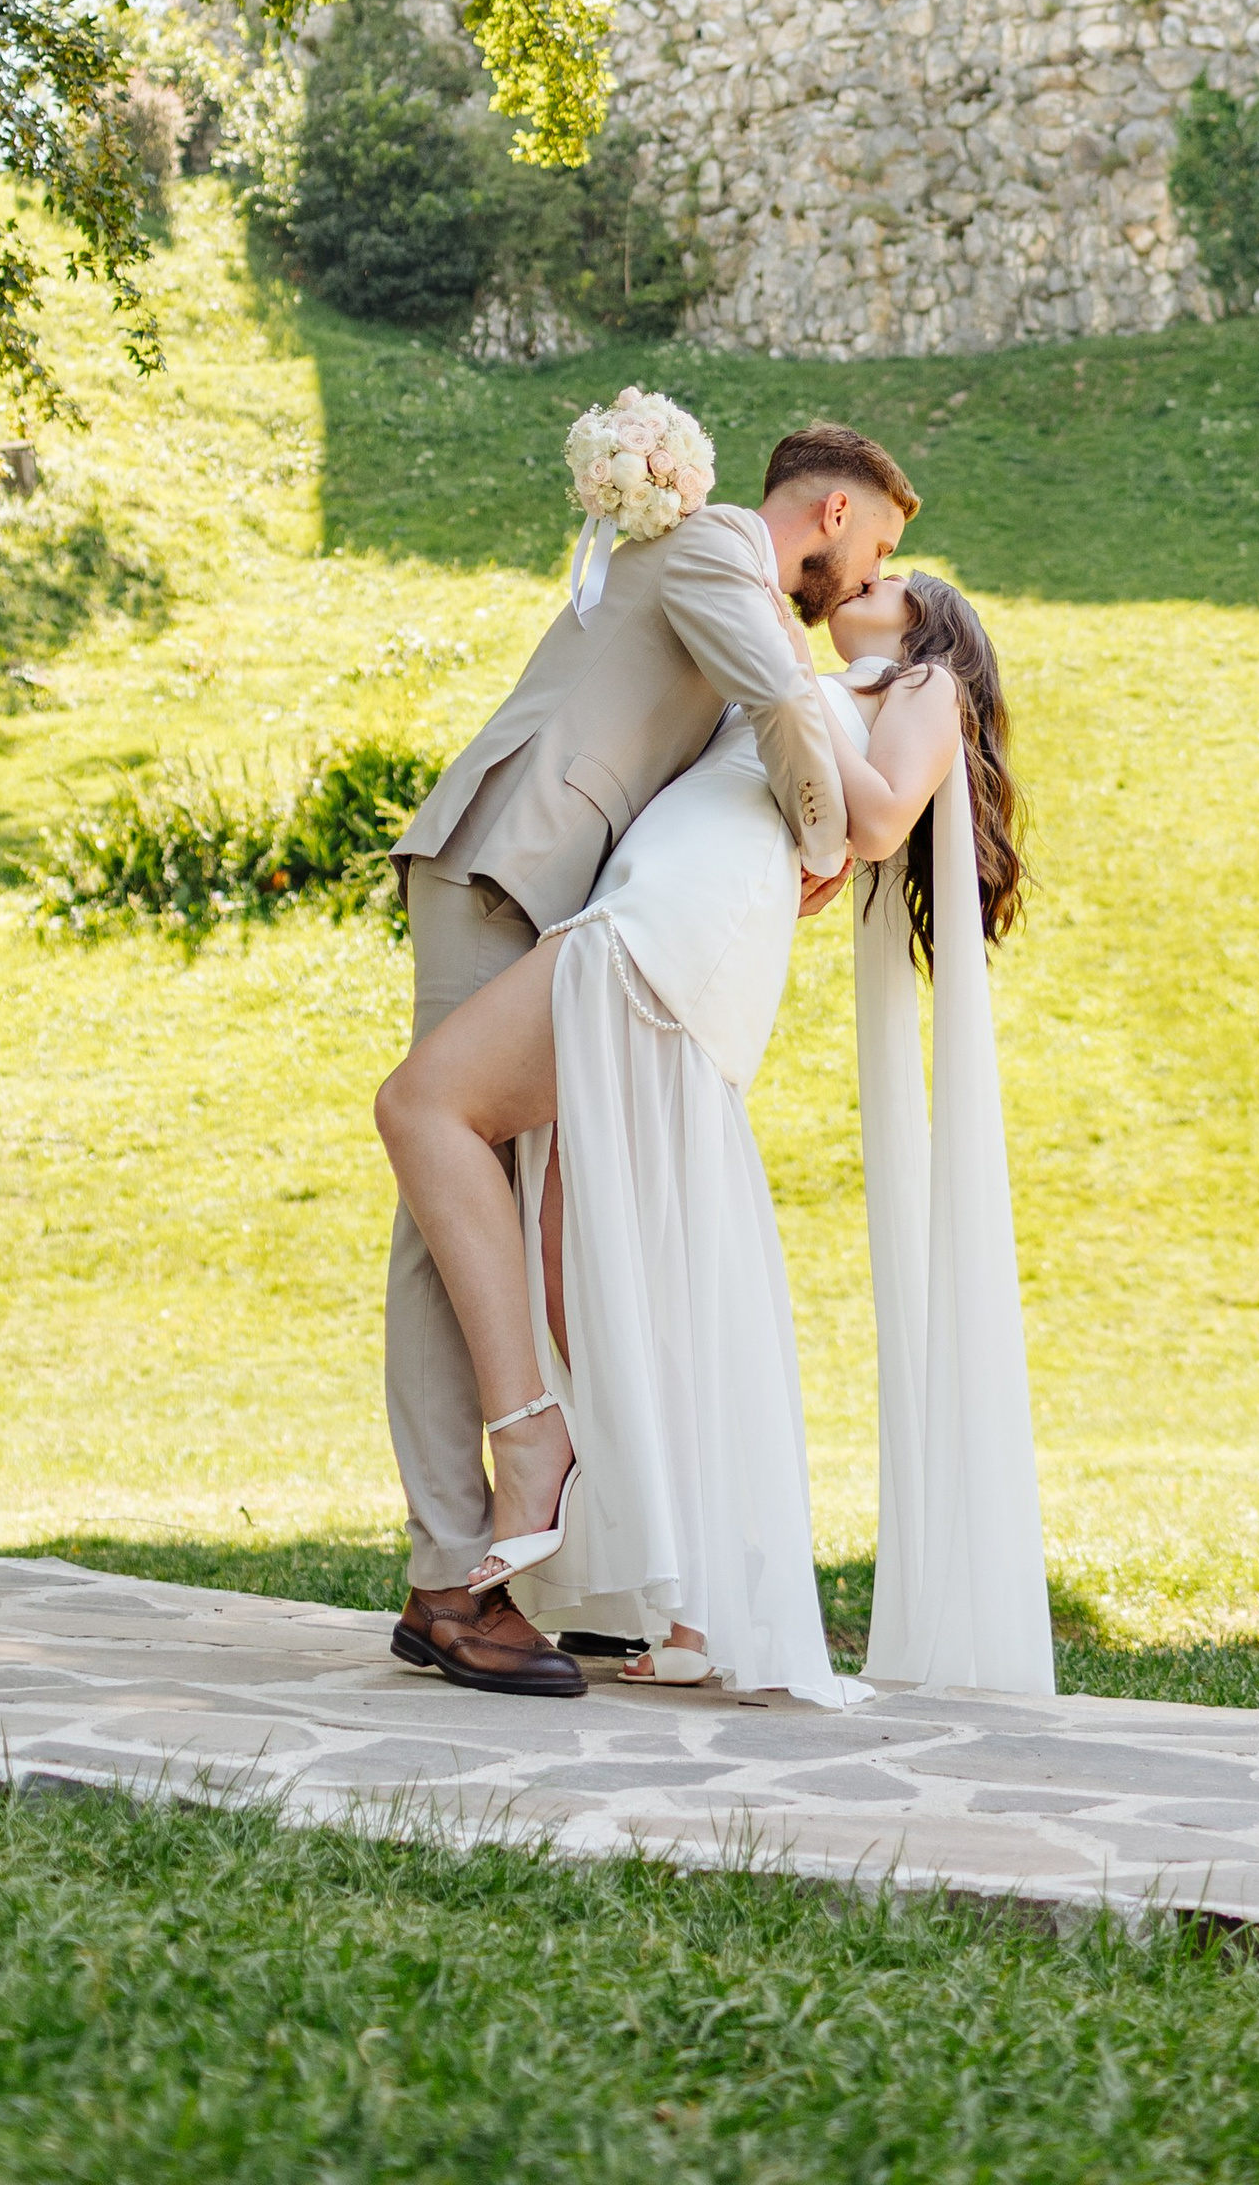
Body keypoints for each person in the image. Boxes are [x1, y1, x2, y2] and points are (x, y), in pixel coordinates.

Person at [375, 550, 1046, 1700]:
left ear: (929, 620)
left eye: (890, 581)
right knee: (572, 1257)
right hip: (648, 909)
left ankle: (541, 1454)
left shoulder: (921, 682)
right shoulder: (794, 680)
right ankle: (685, 1602)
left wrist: (796, 700)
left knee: (425, 1106)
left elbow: (878, 823)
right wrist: (787, 706)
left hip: (668, 931)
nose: (860, 586)